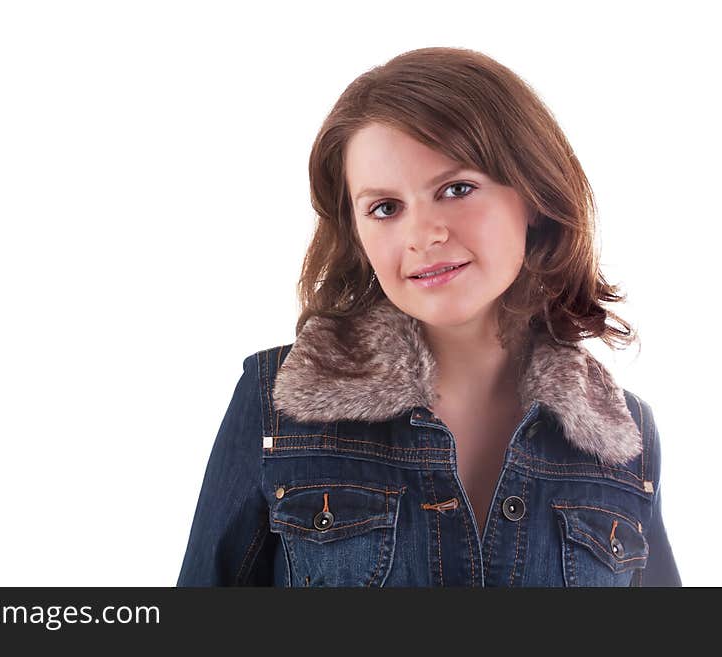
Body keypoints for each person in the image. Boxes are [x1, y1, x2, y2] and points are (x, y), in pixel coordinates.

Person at [176, 47, 682, 587]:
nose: (423, 236)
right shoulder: (276, 405)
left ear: (533, 196)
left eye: (456, 189)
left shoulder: (623, 439)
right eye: (385, 208)